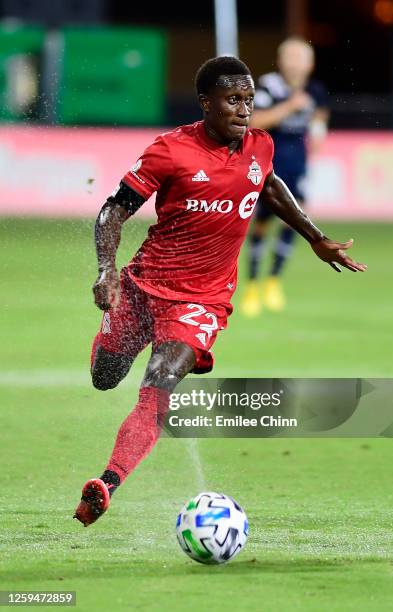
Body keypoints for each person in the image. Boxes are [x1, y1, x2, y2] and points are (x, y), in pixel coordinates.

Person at [73, 56, 366, 527]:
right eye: (233, 100)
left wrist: (315, 237)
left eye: (249, 100)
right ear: (206, 103)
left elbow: (268, 186)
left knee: (158, 386)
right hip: (143, 285)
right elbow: (112, 211)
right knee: (105, 375)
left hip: (201, 301)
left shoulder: (260, 146)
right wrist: (106, 270)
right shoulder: (170, 150)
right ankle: (109, 345)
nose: (244, 109)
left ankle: (106, 483)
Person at [240, 37, 330, 317]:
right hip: (268, 167)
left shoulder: (316, 90)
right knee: (262, 224)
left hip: (298, 166)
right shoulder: (268, 86)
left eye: (300, 58)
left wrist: (318, 132)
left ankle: (274, 281)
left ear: (310, 63)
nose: (294, 63)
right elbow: (254, 121)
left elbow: (320, 117)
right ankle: (252, 285)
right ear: (280, 61)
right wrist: (289, 107)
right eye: (289, 57)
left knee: (295, 222)